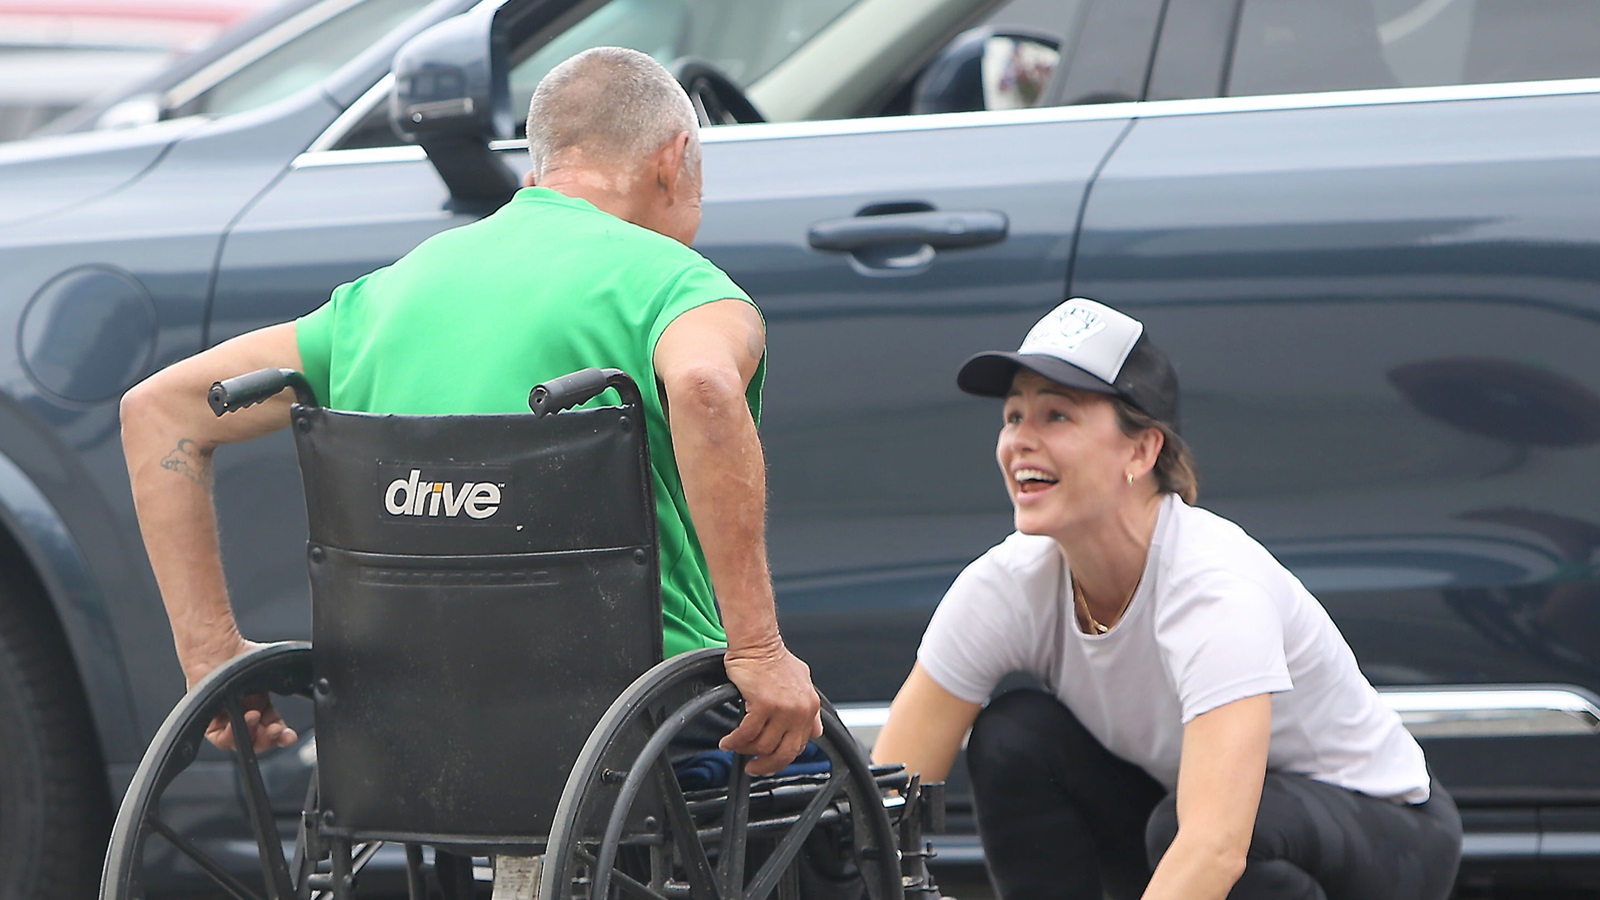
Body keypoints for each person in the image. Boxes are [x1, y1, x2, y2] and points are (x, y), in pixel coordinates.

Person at [119, 46, 819, 778]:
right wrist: (758, 650)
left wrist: (210, 656)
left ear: (535, 178)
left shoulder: (386, 297)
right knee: (822, 810)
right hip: (635, 728)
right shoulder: (676, 284)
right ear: (674, 161)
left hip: (407, 724)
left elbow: (158, 410)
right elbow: (707, 389)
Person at [871, 298, 1462, 900]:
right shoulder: (1006, 585)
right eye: (1014, 415)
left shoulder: (1213, 585)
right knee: (1014, 738)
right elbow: (883, 805)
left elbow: (1214, 848)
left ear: (1141, 451)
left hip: (1386, 841)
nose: (1019, 441)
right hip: (1204, 825)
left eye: (1056, 416)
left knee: (1185, 831)